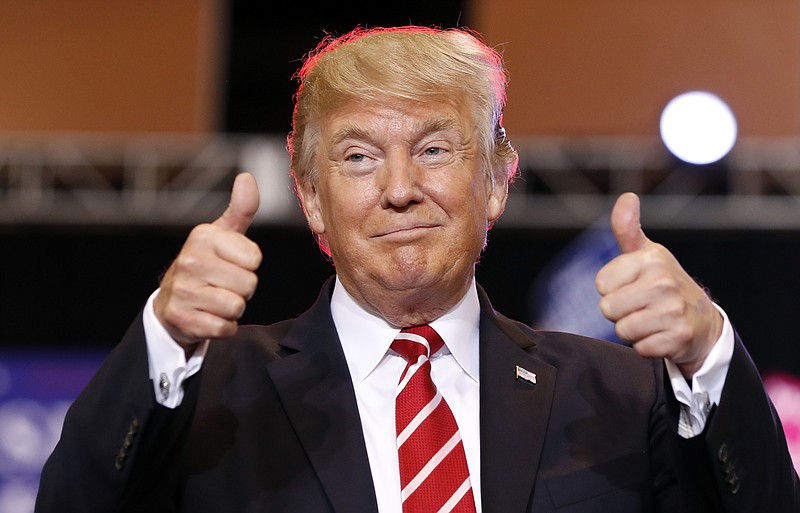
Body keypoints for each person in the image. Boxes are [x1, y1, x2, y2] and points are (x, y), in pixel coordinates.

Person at [36, 26, 798, 513]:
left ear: (497, 179)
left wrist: (708, 351)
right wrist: (163, 337)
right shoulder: (211, 395)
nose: (400, 188)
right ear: (311, 198)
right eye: (360, 157)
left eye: (434, 148)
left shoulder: (622, 396)